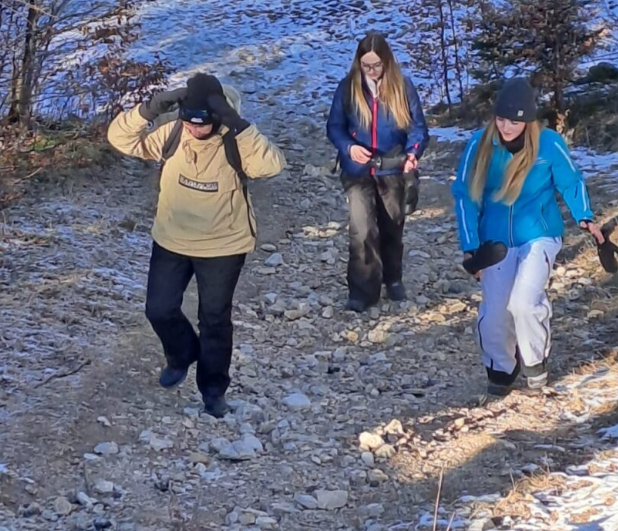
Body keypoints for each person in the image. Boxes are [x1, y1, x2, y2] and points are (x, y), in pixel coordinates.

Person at [108, 73, 286, 418]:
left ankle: (213, 391)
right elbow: (121, 139)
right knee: (159, 309)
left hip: (223, 245)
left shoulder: (234, 140)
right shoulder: (173, 133)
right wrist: (150, 109)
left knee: (214, 321)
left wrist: (238, 125)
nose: (194, 129)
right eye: (189, 122)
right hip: (172, 239)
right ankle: (181, 354)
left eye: (201, 124)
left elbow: (270, 165)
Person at [452, 77, 603, 403]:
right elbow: (465, 196)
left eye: (515, 121)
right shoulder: (479, 145)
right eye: (501, 119)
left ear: (529, 121)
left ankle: (535, 363)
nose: (506, 127)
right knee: (495, 312)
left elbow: (571, 181)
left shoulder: (548, 144)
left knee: (523, 302)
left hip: (539, 235)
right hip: (494, 244)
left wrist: (585, 217)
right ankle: (501, 369)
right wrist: (470, 247)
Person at [327, 33, 429, 312]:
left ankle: (392, 278)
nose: (371, 71)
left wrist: (413, 153)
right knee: (362, 230)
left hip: (392, 168)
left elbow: (418, 128)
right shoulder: (348, 88)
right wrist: (348, 148)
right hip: (357, 171)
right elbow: (334, 127)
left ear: (387, 62)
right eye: (366, 65)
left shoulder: (403, 87)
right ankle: (362, 291)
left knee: (392, 227)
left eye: (376, 65)